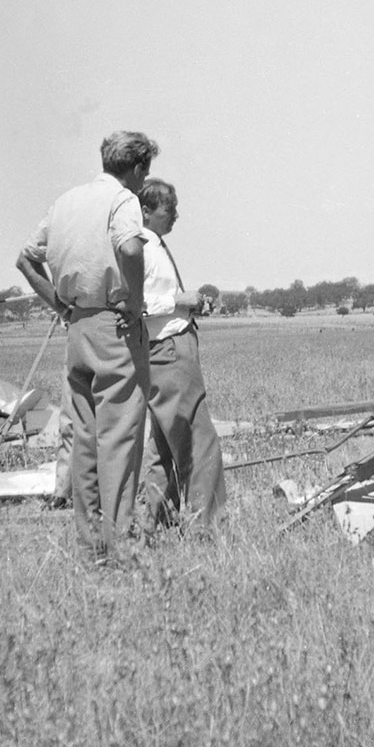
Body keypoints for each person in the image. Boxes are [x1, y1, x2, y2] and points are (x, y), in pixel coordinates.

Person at [16, 131, 158, 565]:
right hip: (114, 327)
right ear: (137, 169)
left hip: (76, 328)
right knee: (120, 437)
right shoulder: (122, 200)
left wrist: (58, 303)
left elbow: (25, 259)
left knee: (84, 440)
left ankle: (90, 545)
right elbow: (131, 247)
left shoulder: (65, 203)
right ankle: (121, 547)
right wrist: (134, 303)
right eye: (144, 173)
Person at [136, 179, 226, 538]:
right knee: (198, 441)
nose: (175, 215)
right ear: (146, 211)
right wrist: (180, 300)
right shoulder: (140, 249)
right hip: (169, 349)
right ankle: (207, 528)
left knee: (162, 445)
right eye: (167, 209)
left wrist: (188, 304)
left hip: (170, 345)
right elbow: (138, 304)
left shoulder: (154, 247)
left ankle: (152, 523)